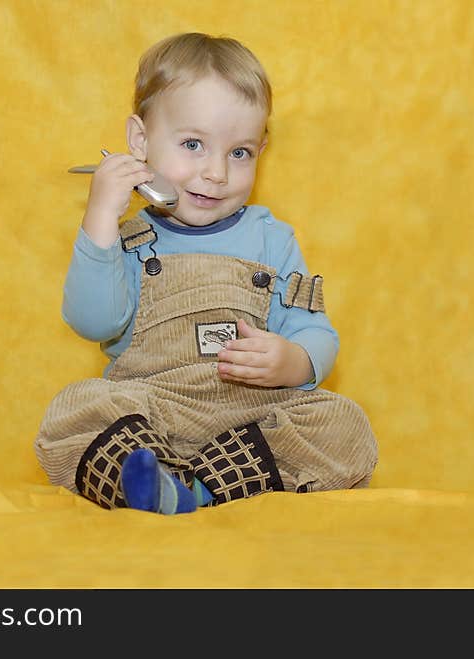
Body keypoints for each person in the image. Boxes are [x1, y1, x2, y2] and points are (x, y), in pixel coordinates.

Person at [34, 32, 377, 514]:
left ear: (262, 149)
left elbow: (316, 332)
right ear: (140, 141)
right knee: (76, 409)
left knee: (345, 423)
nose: (216, 172)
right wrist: (100, 222)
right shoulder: (128, 239)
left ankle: (198, 490)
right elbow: (94, 322)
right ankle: (153, 476)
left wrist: (294, 362)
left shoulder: (273, 239)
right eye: (193, 144)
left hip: (250, 420)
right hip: (152, 409)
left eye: (240, 153)